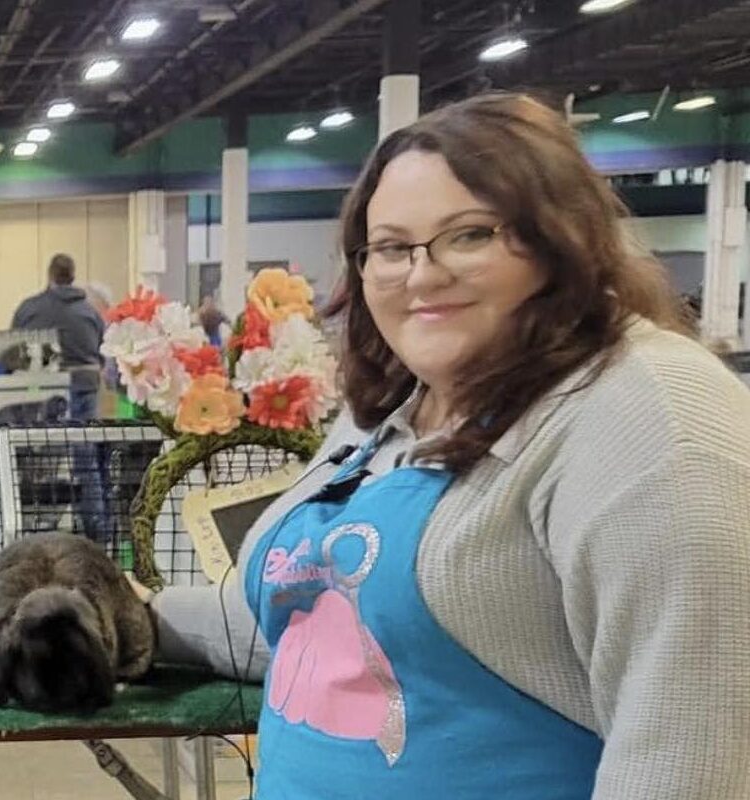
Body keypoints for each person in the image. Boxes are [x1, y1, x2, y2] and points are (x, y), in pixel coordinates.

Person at [145, 94, 750, 799]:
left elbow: (693, 758)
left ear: (562, 237)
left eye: (469, 235)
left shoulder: (648, 417)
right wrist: (134, 618)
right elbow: (316, 626)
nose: (424, 275)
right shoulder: (391, 411)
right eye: (393, 248)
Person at [13, 254, 108, 543]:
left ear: (50, 275)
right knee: (86, 462)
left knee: (36, 463)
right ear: (72, 275)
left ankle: (30, 532)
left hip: (39, 398)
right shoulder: (90, 312)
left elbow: (14, 351)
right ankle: (98, 535)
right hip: (83, 392)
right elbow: (103, 353)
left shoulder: (29, 309)